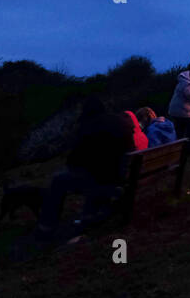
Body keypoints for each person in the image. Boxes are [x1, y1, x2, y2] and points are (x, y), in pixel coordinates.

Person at [36, 96, 136, 238]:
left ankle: (46, 226)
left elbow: (74, 160)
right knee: (94, 173)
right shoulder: (121, 122)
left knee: (58, 180)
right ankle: (94, 211)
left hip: (102, 180)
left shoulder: (89, 126)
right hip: (122, 175)